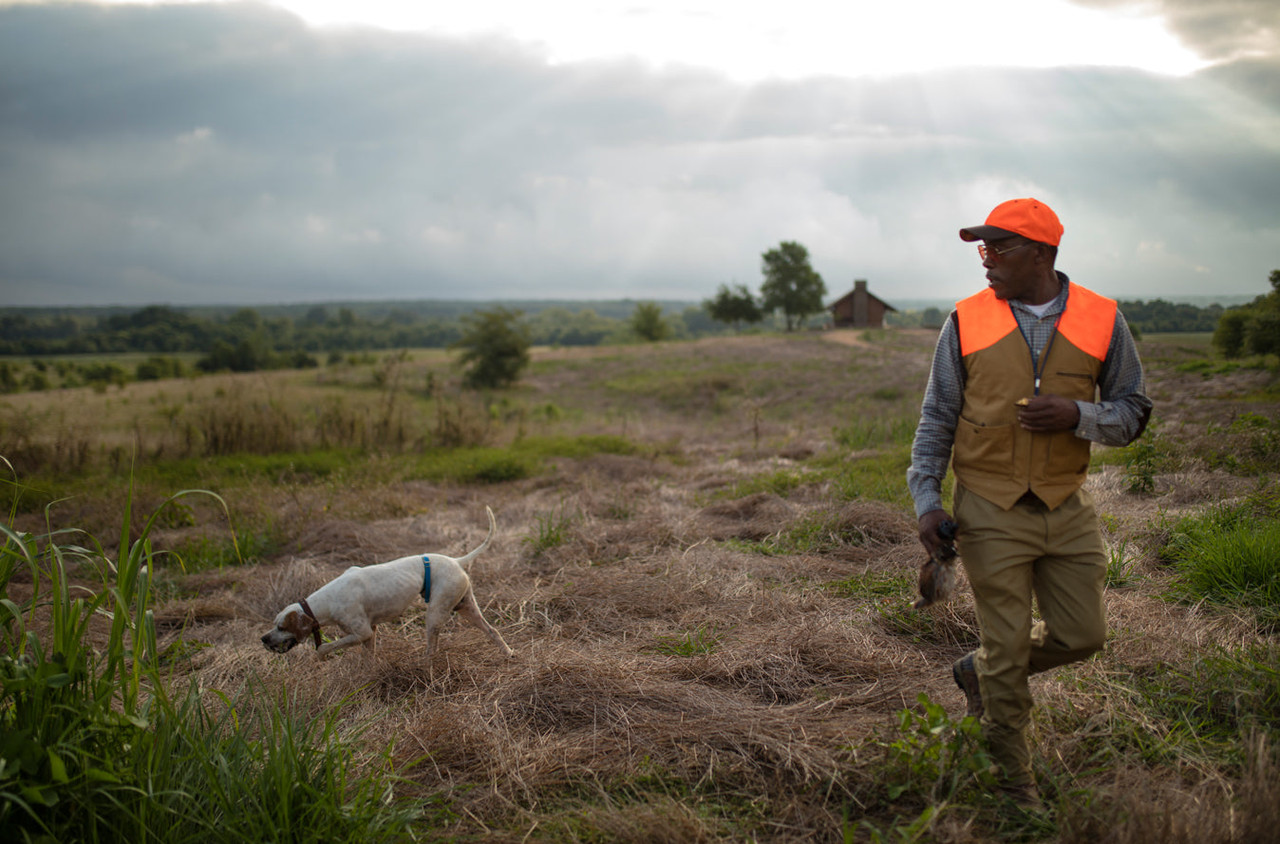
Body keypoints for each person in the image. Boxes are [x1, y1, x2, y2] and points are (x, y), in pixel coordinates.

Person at [907, 198, 1152, 804]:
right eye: (980, 249)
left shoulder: (1103, 318)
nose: (984, 261)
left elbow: (1133, 412)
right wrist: (927, 501)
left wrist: (1079, 414)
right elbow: (937, 415)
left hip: (1066, 506)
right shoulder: (965, 320)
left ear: (1040, 252)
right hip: (987, 506)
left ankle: (978, 671)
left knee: (1082, 637)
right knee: (1010, 647)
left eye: (998, 248)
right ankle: (1014, 785)